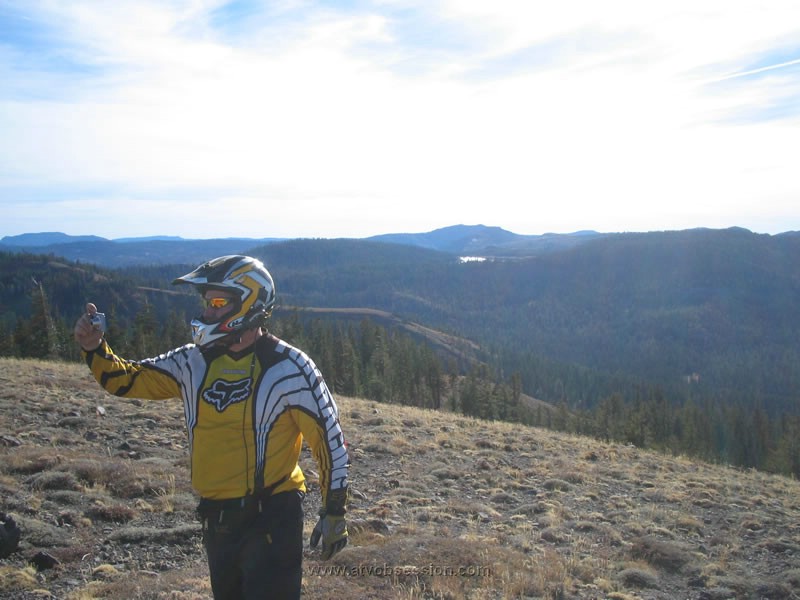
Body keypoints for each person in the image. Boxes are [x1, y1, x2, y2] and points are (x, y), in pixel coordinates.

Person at [73, 255, 350, 600]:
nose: (208, 311)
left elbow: (329, 441)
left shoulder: (291, 368)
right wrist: (94, 348)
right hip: (217, 520)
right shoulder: (193, 360)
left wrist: (334, 511)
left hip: (271, 518)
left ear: (250, 302)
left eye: (218, 302)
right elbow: (127, 380)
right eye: (207, 302)